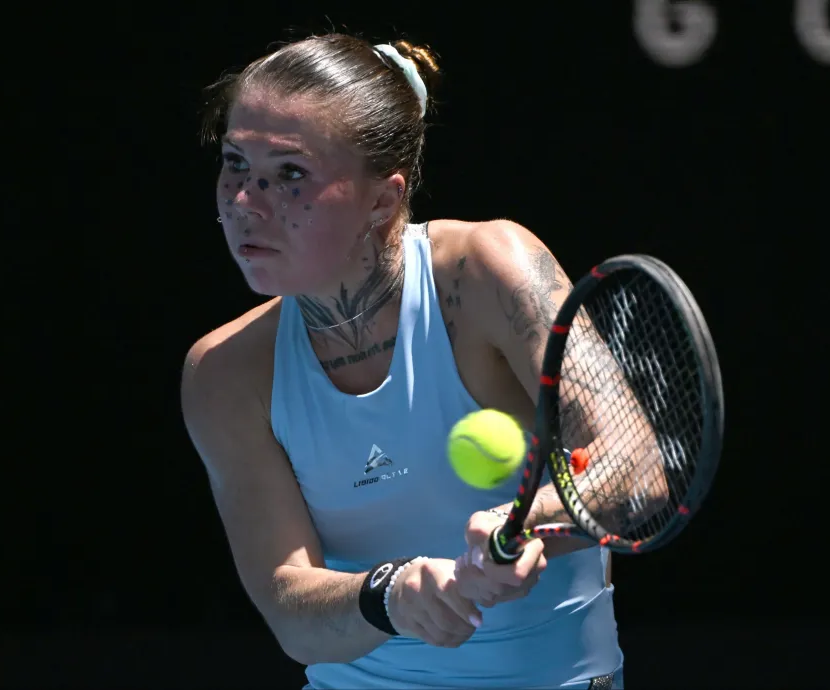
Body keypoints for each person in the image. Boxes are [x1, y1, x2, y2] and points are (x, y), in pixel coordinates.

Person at [182, 33, 625, 689]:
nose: (244, 203)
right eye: (235, 165)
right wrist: (389, 595)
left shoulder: (486, 273)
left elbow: (637, 462)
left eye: (289, 174)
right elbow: (290, 611)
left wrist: (530, 524)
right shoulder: (224, 372)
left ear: (382, 201)